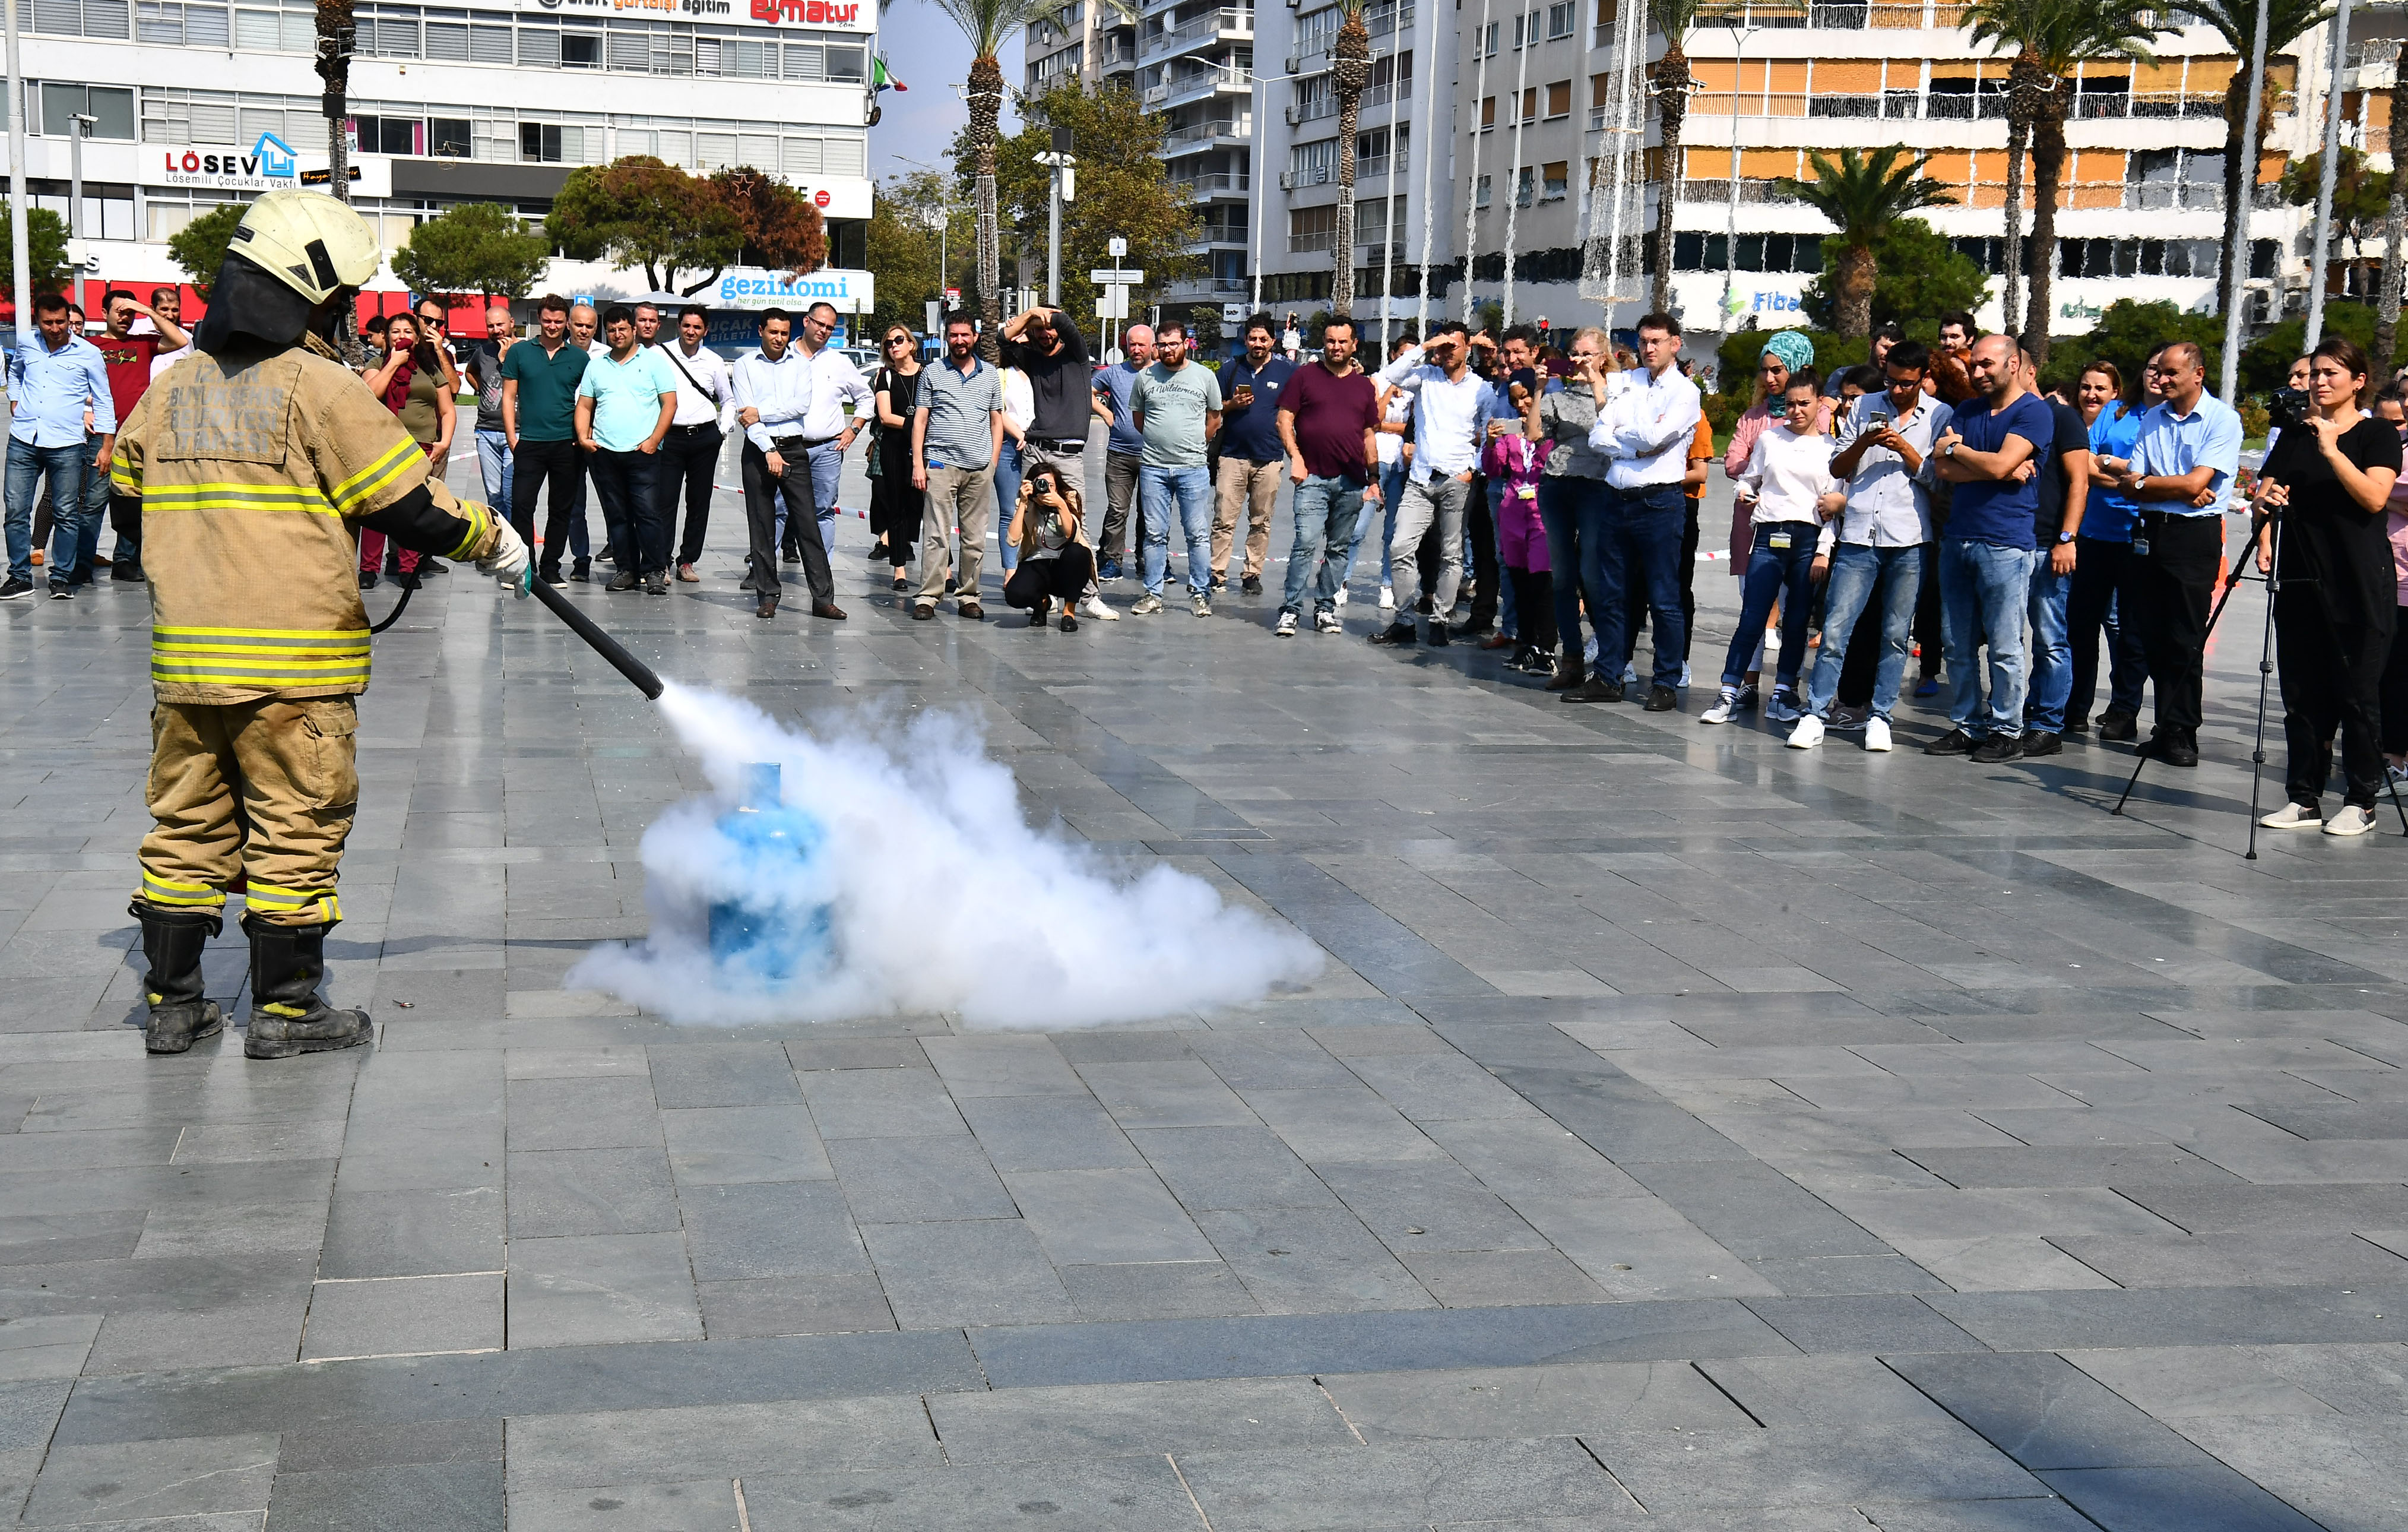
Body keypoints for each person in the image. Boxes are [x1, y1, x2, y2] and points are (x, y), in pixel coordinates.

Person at [110, 189, 526, 1060]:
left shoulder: (173, 384)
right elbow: (408, 508)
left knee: (184, 826)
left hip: (186, 667)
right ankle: (290, 1012)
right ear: (311, 297)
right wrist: (492, 538)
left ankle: (173, 1005)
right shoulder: (322, 388)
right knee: (297, 823)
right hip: (293, 670)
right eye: (337, 302)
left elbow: (124, 496)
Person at [2253, 337, 2402, 836]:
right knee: (2301, 693)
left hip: (2357, 580)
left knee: (2357, 694)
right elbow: (2262, 494)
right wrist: (2265, 502)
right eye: (2314, 372)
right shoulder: (2294, 433)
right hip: (2299, 577)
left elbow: (2374, 497)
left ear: (2358, 381)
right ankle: (2304, 797)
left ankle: (2361, 801)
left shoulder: (2377, 434)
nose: (2318, 381)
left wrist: (2332, 448)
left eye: (2331, 373)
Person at [1789, 341, 1948, 754]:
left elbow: (1939, 479)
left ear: (1922, 379)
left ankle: (1881, 716)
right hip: (1860, 531)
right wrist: (1866, 441)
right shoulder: (1862, 405)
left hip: (1910, 536)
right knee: (1836, 628)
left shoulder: (1940, 414)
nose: (1896, 391)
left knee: (1896, 634)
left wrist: (1906, 450)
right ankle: (1816, 712)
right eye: (1892, 381)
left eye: (1906, 385)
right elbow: (1838, 466)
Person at [2098, 340, 2243, 768]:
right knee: (2149, 634)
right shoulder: (2154, 418)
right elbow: (2133, 480)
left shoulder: (2222, 419)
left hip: (2192, 537)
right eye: (2158, 372)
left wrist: (2160, 485)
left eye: (2170, 373)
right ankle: (2162, 725)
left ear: (2198, 374)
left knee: (2184, 636)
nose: (2160, 380)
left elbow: (2194, 486)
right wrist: (2169, 486)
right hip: (2149, 532)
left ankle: (2183, 730)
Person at [1927, 335, 2049, 762]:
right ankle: (1967, 723)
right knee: (1956, 642)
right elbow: (1943, 469)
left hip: (2006, 542)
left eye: (1986, 365)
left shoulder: (2034, 412)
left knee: (2004, 643)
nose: (1977, 373)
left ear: (2014, 364)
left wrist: (1960, 450)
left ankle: (2006, 729)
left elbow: (1970, 459)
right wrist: (1995, 467)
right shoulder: (1967, 409)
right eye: (1974, 365)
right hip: (1959, 536)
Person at [1704, 370, 1835, 724]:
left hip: (1808, 538)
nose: (1796, 411)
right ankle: (1728, 692)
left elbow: (1832, 506)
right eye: (1790, 404)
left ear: (1820, 403)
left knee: (1795, 623)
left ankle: (1784, 693)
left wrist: (1824, 548)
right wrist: (1744, 494)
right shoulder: (1769, 440)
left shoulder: (1830, 449)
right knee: (1752, 617)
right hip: (1768, 535)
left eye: (1804, 403)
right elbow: (1748, 478)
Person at [1591, 314, 1702, 711]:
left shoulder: (1685, 392)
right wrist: (1629, 440)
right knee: (1611, 595)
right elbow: (1598, 434)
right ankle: (1608, 675)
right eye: (1643, 341)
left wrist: (1623, 435)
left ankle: (1666, 682)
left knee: (1663, 597)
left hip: (1659, 502)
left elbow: (1657, 438)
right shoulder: (1629, 383)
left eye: (1657, 341)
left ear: (1676, 343)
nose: (1649, 348)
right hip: (1617, 499)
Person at [1721, 330, 1829, 698]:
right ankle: (1745, 685)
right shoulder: (1756, 420)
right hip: (1755, 527)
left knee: (1795, 613)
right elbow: (1734, 462)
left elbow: (1830, 466)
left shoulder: (1825, 415)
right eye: (1765, 371)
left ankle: (1787, 688)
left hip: (1806, 531)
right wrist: (1764, 464)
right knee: (1751, 608)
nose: (1770, 380)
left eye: (1778, 370)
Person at [737, 306, 861, 621]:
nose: (779, 338)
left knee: (809, 522)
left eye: (783, 333)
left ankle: (822, 599)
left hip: (794, 450)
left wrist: (762, 412)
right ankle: (767, 596)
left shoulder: (800, 365)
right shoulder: (744, 366)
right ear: (761, 331)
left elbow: (800, 406)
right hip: (758, 449)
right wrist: (767, 448)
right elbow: (745, 415)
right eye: (773, 332)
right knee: (763, 525)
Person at [1370, 321, 1485, 645]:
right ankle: (1405, 620)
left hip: (1457, 479)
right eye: (1444, 347)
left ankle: (1440, 619)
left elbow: (1491, 433)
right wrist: (1426, 346)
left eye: (1454, 346)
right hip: (1420, 478)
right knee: (1399, 546)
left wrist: (1472, 469)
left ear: (1467, 349)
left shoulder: (1480, 388)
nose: (1448, 352)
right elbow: (1390, 376)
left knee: (1452, 553)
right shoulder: (1426, 378)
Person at [1273, 314, 1380, 637]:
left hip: (1351, 480)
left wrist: (1373, 478)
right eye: (1331, 341)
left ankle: (1325, 609)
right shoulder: (1305, 376)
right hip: (1312, 478)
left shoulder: (1364, 386)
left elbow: (1369, 436)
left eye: (1342, 342)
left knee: (1339, 548)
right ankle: (1291, 610)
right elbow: (1284, 419)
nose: (1336, 347)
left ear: (1354, 344)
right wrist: (1296, 458)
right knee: (1305, 542)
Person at [5, 293, 112, 602]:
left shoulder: (88, 353)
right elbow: (16, 371)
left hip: (67, 443)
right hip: (24, 439)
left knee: (66, 512)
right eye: (47, 322)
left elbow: (104, 399)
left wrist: (107, 445)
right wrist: (15, 397)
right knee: (15, 511)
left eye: (60, 322)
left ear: (70, 320)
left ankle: (62, 577)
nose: (55, 328)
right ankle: (19, 576)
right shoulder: (27, 343)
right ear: (38, 320)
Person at [2070, 358, 2152, 740]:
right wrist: (2130, 481)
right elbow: (2085, 463)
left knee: (2127, 629)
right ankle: (2075, 707)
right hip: (2094, 531)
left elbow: (2167, 478)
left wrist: (2116, 471)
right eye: (2151, 367)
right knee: (2081, 623)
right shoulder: (2117, 412)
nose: (2156, 375)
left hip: (2136, 535)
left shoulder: (2162, 417)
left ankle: (2124, 708)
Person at [1526, 328, 1611, 693]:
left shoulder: (1614, 391)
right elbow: (1533, 435)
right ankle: (1571, 658)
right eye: (1574, 353)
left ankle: (1609, 658)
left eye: (1587, 354)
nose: (1578, 359)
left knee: (1593, 574)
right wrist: (1540, 389)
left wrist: (1595, 381)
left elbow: (1611, 424)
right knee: (1562, 576)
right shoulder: (1558, 395)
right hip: (1558, 482)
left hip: (1597, 485)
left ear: (1602, 358)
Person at [575, 304, 679, 596]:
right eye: (612, 330)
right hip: (606, 452)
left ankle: (655, 570)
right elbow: (585, 405)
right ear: (605, 333)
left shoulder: (654, 363)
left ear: (634, 330)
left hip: (643, 453)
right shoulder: (597, 365)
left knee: (648, 514)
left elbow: (669, 404)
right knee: (617, 515)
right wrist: (584, 438)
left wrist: (654, 441)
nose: (617, 334)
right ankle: (626, 570)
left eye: (623, 329)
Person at [2018, 352, 2092, 756]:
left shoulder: (2062, 417)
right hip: (2011, 540)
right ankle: (2021, 714)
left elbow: (2080, 482)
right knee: (2009, 638)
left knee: (2049, 637)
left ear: (2029, 371)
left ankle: (2048, 724)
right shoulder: (2010, 416)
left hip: (2049, 543)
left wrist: (2068, 537)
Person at [911, 311, 1005, 621]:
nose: (960, 341)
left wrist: (992, 462)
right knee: (936, 534)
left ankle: (969, 596)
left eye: (965, 335)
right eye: (954, 335)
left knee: (975, 537)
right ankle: (928, 596)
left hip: (978, 467)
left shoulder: (990, 374)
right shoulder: (933, 373)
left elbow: (996, 420)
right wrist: (918, 464)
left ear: (975, 337)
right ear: (946, 337)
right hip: (941, 464)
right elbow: (921, 419)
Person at [89, 289, 188, 583]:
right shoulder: (91, 346)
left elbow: (181, 340)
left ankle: (125, 561)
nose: (125, 317)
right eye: (119, 310)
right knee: (93, 503)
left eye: (129, 312)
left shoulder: (142, 345)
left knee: (133, 502)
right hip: (100, 435)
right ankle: (80, 562)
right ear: (104, 313)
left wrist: (147, 310)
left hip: (136, 435)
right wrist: (84, 410)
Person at [1129, 320, 1224, 617]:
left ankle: (1200, 594)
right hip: (1154, 468)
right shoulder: (1145, 378)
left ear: (1186, 344)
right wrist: (1162, 442)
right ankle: (1153, 593)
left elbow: (1215, 419)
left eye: (1173, 343)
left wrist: (1195, 443)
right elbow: (1139, 420)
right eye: (1163, 344)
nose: (1168, 349)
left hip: (1193, 468)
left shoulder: (1205, 377)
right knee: (1154, 534)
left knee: (1197, 534)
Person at [356, 312, 454, 590]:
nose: (402, 337)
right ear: (386, 337)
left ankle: (408, 567)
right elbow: (371, 393)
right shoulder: (375, 364)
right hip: (382, 445)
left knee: (414, 508)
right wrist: (393, 364)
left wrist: (444, 441)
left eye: (408, 332)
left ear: (417, 336)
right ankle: (369, 569)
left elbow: (447, 410)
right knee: (376, 509)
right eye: (396, 332)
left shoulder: (429, 368)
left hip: (420, 445)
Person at [502, 295, 593, 585]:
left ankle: (551, 566)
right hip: (529, 441)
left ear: (567, 322)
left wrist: (583, 434)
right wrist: (511, 437)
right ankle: (524, 567)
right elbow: (509, 396)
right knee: (522, 506)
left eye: (558, 321)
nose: (552, 326)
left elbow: (589, 400)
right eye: (547, 320)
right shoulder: (520, 352)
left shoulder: (580, 358)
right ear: (539, 320)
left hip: (567, 443)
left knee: (561, 508)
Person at [1213, 315, 1295, 595]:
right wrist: (1232, 404)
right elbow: (1213, 409)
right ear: (1245, 340)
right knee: (1224, 519)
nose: (1258, 344)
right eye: (1252, 338)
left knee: (1261, 520)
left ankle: (1252, 573)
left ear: (1273, 340)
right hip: (1232, 456)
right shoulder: (1230, 370)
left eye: (1263, 339)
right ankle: (1217, 572)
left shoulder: (1288, 372)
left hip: (1270, 457)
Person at [653, 304, 733, 584]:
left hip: (704, 438)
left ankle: (687, 561)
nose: (691, 331)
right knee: (665, 502)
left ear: (706, 331)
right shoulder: (660, 354)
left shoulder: (714, 361)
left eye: (697, 327)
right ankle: (661, 562)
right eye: (687, 326)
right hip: (670, 437)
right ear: (679, 326)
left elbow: (728, 400)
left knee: (699, 503)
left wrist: (722, 431)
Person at [1490, 369, 1554, 673]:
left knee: (1542, 581)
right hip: (1513, 512)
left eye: (1526, 397)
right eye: (1516, 401)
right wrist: (1490, 444)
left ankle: (1547, 647)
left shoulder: (1551, 431)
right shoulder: (1509, 434)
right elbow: (1493, 469)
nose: (1522, 406)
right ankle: (1526, 644)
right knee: (1519, 581)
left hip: (1542, 514)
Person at [1092, 322, 1154, 580]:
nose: (1136, 349)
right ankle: (1112, 560)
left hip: (1155, 455)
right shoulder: (1114, 373)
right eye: (1132, 344)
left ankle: (1146, 558)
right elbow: (1087, 392)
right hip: (1120, 454)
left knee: (1150, 512)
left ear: (1152, 347)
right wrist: (1106, 412)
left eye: (1141, 345)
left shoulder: (1162, 373)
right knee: (1118, 510)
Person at [1002, 463, 1095, 632]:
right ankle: (1042, 602)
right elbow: (1012, 540)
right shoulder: (1026, 504)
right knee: (1014, 595)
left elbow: (1072, 535)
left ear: (1057, 487)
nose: (1044, 488)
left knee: (1078, 553)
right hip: (1038, 561)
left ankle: (1069, 612)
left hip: (1066, 564)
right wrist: (1023, 504)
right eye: (1040, 483)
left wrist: (1060, 505)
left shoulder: (1069, 497)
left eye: (1050, 485)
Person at [870, 323, 925, 593]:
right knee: (897, 506)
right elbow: (885, 416)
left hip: (927, 449)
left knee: (932, 508)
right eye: (888, 343)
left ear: (911, 344)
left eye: (898, 340)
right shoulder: (886, 377)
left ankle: (946, 570)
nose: (893, 346)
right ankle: (899, 570)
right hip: (895, 448)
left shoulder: (928, 373)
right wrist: (916, 425)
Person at [465, 305, 517, 555]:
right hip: (486, 431)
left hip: (516, 431)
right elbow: (470, 372)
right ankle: (499, 543)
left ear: (512, 323)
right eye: (491, 326)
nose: (496, 330)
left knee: (511, 494)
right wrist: (482, 390)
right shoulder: (483, 352)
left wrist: (507, 360)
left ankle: (514, 544)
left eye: (501, 325)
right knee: (494, 496)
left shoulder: (524, 351)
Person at [995, 355, 1032, 577]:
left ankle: (1034, 570)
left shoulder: (1042, 372)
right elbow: (998, 411)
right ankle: (1011, 571)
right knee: (1010, 509)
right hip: (1009, 443)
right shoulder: (1003, 374)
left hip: (1038, 442)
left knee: (1036, 510)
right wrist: (1019, 435)